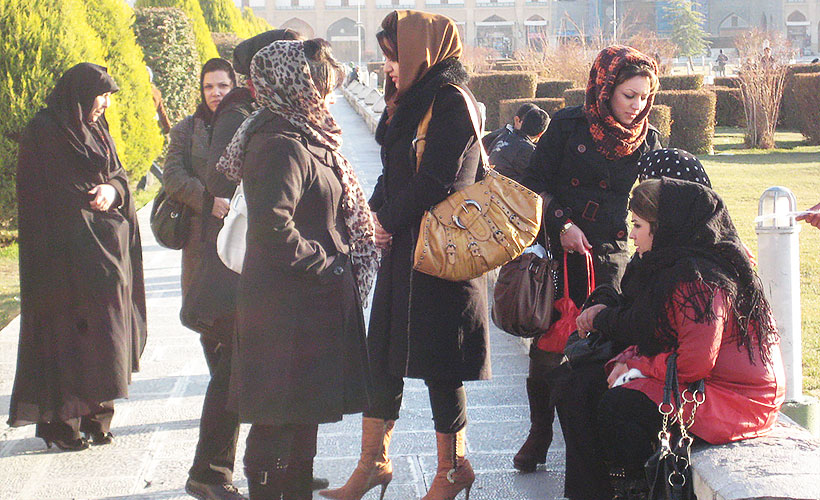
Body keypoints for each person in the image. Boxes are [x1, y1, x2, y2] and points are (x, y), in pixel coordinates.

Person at [320, 10, 489, 500]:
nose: (386, 67)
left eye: (394, 56)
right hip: (404, 253)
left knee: (440, 365)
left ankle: (453, 469)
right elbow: (393, 174)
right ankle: (373, 463)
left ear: (421, 53)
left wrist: (387, 220)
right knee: (385, 359)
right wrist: (373, 215)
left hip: (440, 258)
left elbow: (440, 180)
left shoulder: (453, 102)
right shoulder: (411, 102)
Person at [216, 39, 377, 500]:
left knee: (302, 415)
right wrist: (325, 264)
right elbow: (271, 223)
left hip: (304, 304)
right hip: (286, 306)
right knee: (276, 420)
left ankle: (297, 491)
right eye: (321, 85)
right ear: (295, 85)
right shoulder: (279, 143)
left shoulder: (305, 134)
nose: (327, 95)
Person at [567, 178, 786, 499]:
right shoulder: (682, 263)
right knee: (581, 385)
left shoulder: (701, 278)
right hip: (719, 384)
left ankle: (634, 490)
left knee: (619, 406)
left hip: (739, 400)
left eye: (638, 225)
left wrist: (636, 366)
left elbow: (694, 364)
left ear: (664, 227)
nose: (631, 235)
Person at [515, 45, 661, 474]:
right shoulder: (566, 125)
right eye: (628, 96)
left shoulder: (648, 138)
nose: (637, 106)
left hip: (613, 255)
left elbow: (660, 200)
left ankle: (591, 441)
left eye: (644, 96)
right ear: (605, 89)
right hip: (559, 252)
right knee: (547, 345)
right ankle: (539, 432)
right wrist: (561, 224)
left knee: (603, 344)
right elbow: (532, 187)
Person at [8, 63, 147, 451]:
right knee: (67, 338)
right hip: (61, 259)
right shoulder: (45, 130)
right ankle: (63, 424)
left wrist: (112, 191)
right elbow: (44, 193)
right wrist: (93, 200)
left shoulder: (97, 129)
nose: (104, 104)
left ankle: (98, 417)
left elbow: (120, 174)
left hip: (102, 256)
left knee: (104, 334)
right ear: (79, 94)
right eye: (100, 95)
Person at [162, 58, 245, 500]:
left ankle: (228, 467)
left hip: (237, 252)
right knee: (223, 361)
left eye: (222, 85)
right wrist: (207, 199)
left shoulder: (241, 122)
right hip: (201, 250)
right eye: (209, 86)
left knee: (230, 370)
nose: (215, 92)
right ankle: (214, 471)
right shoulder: (186, 129)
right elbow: (171, 175)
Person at [488, 107, 549, 182]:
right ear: (541, 134)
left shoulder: (503, 137)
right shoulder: (528, 151)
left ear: (523, 123)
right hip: (506, 190)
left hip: (490, 185)